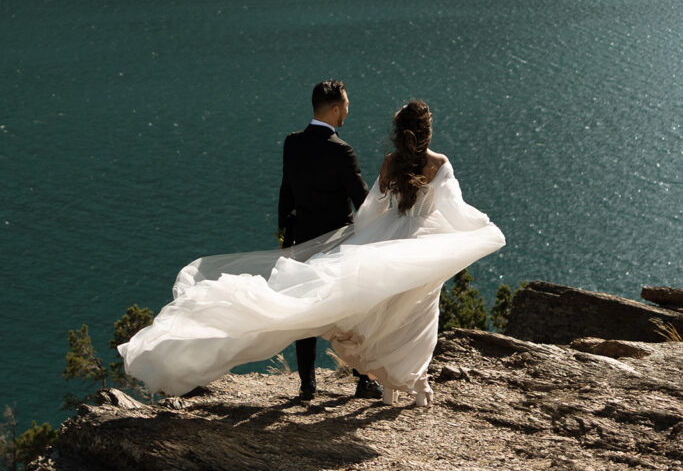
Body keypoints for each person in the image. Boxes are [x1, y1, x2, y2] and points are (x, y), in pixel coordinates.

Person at [119, 100, 505, 408]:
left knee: (385, 311)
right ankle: (411, 383)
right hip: (420, 246)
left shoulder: (390, 163)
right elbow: (455, 211)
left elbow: (371, 210)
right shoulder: (439, 165)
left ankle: (388, 386)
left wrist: (362, 241)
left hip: (389, 241)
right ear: (427, 132)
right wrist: (481, 224)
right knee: (416, 313)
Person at [278, 79, 382, 401]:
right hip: (339, 246)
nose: (348, 111)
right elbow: (362, 201)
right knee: (353, 312)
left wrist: (284, 238)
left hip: (302, 241)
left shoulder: (292, 143)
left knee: (306, 312)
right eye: (347, 105)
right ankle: (364, 380)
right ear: (335, 109)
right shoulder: (342, 151)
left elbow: (286, 192)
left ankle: (307, 384)